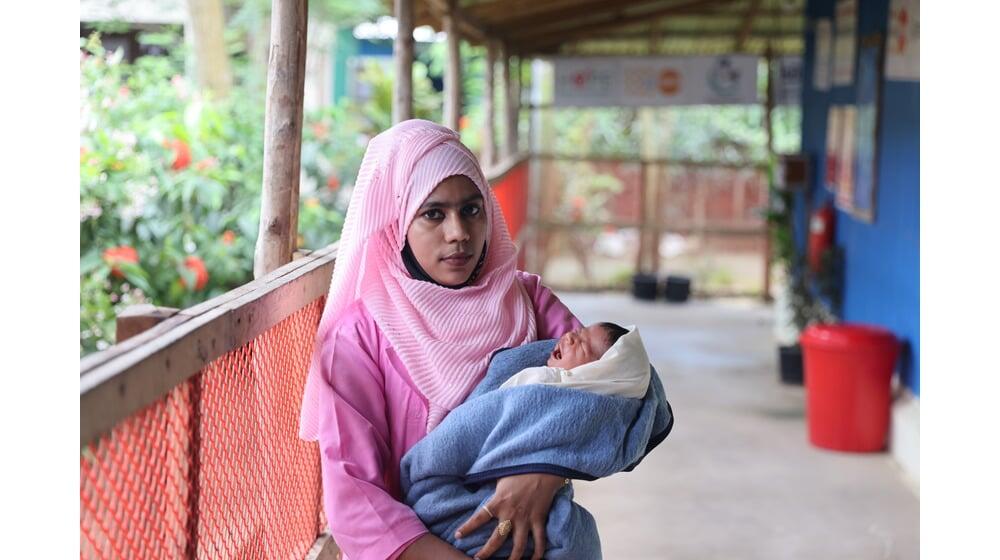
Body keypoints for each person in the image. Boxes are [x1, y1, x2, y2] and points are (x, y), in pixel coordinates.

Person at [298, 119, 583, 560]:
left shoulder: (527, 302)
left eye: (472, 209)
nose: (459, 233)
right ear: (397, 221)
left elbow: (629, 389)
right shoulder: (358, 338)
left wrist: (543, 474)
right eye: (434, 213)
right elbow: (355, 501)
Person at [498, 323, 650, 399]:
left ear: (595, 373)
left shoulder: (544, 379)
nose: (569, 336)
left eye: (582, 344)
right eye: (577, 332)